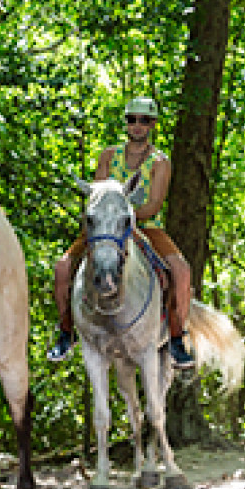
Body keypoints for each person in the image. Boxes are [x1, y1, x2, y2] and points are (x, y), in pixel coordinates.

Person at [46, 96, 195, 369]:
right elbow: (98, 195)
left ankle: (176, 337)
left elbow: (154, 204)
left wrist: (124, 218)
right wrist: (109, 221)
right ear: (126, 123)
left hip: (145, 226)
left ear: (153, 124)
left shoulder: (160, 161)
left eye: (144, 120)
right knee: (62, 267)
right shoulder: (108, 156)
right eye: (132, 120)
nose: (137, 125)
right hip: (104, 228)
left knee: (181, 271)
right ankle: (66, 332)